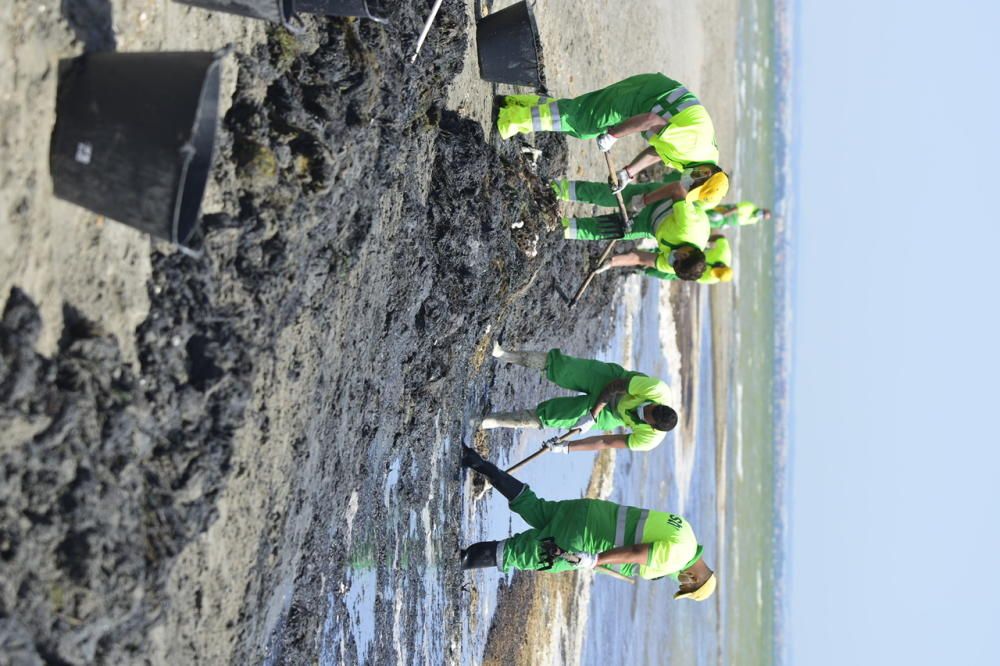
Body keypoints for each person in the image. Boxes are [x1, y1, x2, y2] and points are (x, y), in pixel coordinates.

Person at [458, 445, 717, 600]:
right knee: (517, 553)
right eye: (685, 585)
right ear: (693, 577)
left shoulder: (685, 532)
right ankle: (456, 560)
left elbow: (656, 557)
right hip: (583, 541)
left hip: (589, 512)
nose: (680, 583)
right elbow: (638, 552)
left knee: (534, 506)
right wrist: (595, 560)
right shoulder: (675, 558)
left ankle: (478, 462)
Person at [496, 73, 729, 198]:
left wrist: (629, 173)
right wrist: (613, 135)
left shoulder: (698, 161)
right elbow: (650, 120)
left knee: (581, 118)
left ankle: (519, 104)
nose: (687, 187)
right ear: (704, 174)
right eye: (694, 186)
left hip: (651, 96)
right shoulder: (694, 146)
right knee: (583, 122)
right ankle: (512, 119)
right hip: (644, 96)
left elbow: (660, 150)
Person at [479, 344, 677, 453]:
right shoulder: (657, 390)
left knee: (554, 417)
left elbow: (605, 443)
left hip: (611, 414)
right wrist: (592, 415)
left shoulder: (648, 440)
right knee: (561, 368)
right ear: (656, 403)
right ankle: (504, 354)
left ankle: (495, 421)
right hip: (612, 381)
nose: (643, 410)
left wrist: (567, 447)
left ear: (651, 427)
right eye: (647, 407)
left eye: (645, 416)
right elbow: (615, 386)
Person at [561, 196, 712, 281]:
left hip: (656, 228)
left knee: (609, 230)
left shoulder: (675, 266)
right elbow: (678, 191)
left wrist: (609, 263)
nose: (672, 260)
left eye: (674, 265)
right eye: (676, 261)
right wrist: (645, 200)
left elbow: (640, 258)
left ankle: (560, 228)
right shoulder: (688, 227)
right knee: (610, 194)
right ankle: (560, 188)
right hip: (663, 204)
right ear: (685, 254)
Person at [602, 233, 734, 284]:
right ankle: (642, 253)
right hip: (693, 254)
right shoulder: (724, 252)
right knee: (665, 253)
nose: (715, 271)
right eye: (718, 269)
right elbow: (721, 237)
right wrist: (708, 241)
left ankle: (643, 270)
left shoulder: (712, 278)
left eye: (717, 274)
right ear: (723, 266)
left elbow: (693, 278)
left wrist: (680, 269)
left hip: (686, 271)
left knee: (663, 273)